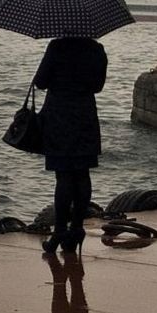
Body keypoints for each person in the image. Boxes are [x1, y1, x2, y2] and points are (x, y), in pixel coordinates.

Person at [32, 35, 107, 254]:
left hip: (59, 117)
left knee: (63, 176)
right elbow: (98, 86)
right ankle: (76, 229)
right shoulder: (96, 49)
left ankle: (59, 232)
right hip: (85, 117)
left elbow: (41, 82)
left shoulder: (57, 46)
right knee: (82, 174)